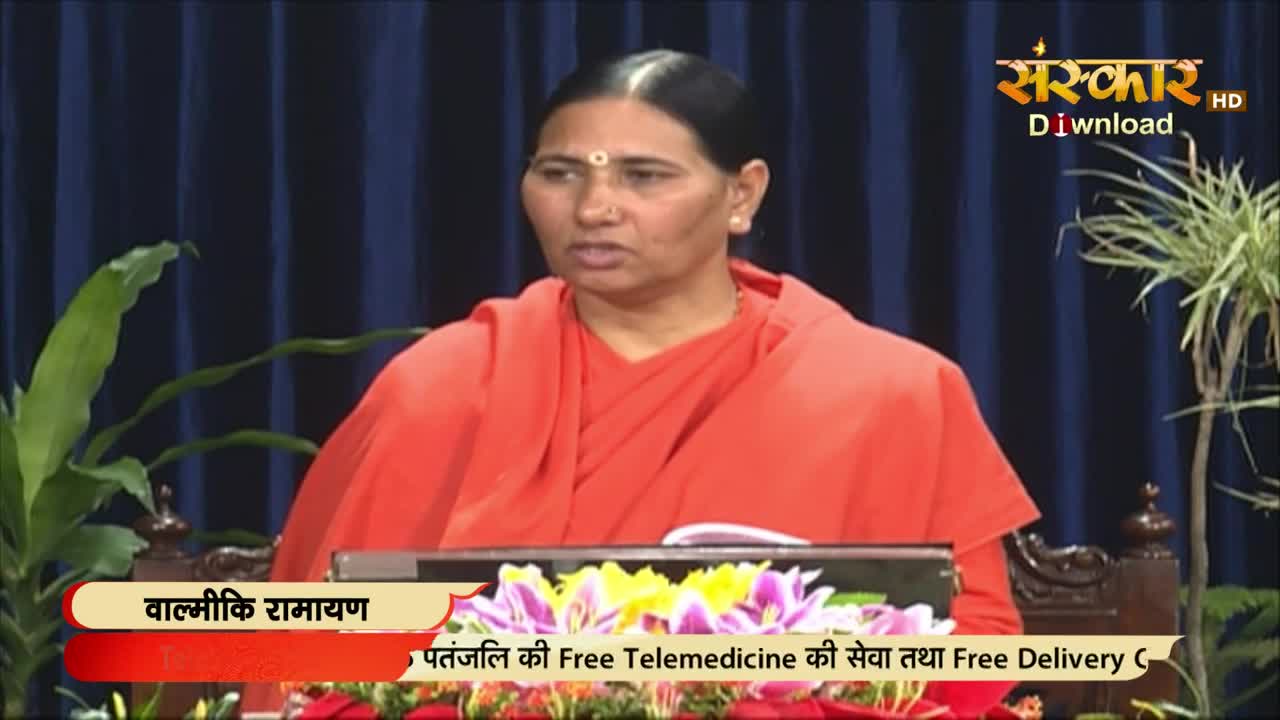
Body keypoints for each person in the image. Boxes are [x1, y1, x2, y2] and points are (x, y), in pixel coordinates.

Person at [245, 49, 1040, 715]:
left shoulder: (889, 391)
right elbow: (314, 651)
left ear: (743, 193)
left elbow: (971, 649)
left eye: (644, 176)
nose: (594, 207)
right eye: (559, 173)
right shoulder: (440, 386)